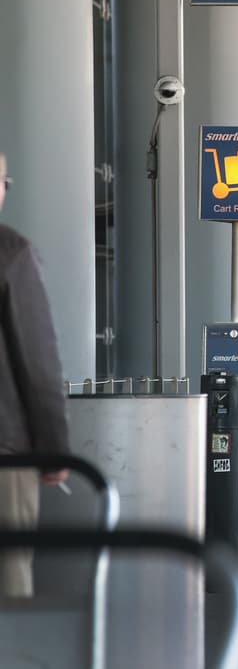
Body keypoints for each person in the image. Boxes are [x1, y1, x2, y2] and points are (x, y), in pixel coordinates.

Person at [0, 153, 70, 598]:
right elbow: (37, 360)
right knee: (8, 580)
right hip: (5, 455)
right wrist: (54, 450)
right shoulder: (10, 253)